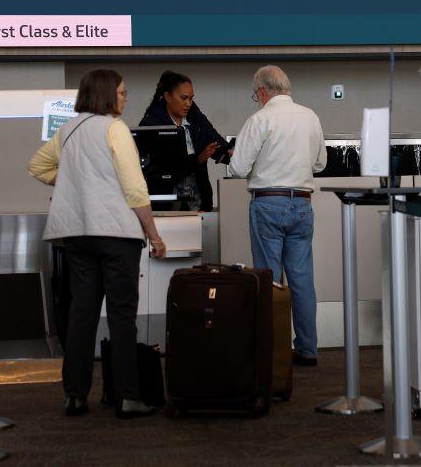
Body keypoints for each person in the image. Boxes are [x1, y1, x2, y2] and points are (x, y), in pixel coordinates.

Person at [28, 69, 166, 418]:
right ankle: (128, 396)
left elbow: (36, 166)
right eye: (121, 92)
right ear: (105, 94)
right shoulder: (114, 129)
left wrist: (73, 181)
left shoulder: (69, 129)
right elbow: (134, 187)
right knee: (121, 316)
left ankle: (74, 395)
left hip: (77, 234)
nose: (125, 97)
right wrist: (153, 233)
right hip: (116, 234)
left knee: (81, 315)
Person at [229, 65, 326, 366]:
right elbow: (320, 164)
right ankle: (308, 349)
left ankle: (274, 351)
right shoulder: (310, 116)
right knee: (302, 280)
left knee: (269, 279)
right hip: (302, 204)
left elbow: (239, 169)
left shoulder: (260, 119)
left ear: (261, 92)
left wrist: (235, 159)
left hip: (268, 203)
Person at [139, 71, 231, 211]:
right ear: (167, 96)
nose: (188, 103)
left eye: (191, 98)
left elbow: (215, 142)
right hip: (165, 200)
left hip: (198, 198)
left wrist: (230, 152)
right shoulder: (151, 124)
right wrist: (198, 159)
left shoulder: (196, 117)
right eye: (183, 98)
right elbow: (159, 167)